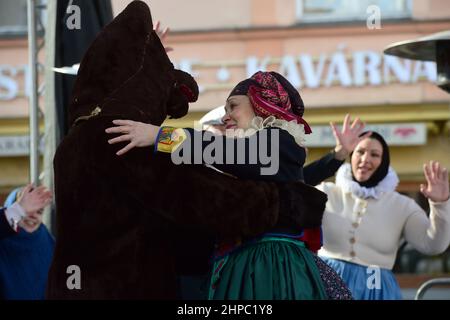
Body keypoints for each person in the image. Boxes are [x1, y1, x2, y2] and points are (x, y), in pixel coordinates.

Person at [106, 71, 363, 299]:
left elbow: (226, 151)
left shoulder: (281, 142)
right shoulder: (259, 148)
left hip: (272, 265)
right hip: (247, 261)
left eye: (233, 106)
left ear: (261, 104)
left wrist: (158, 135)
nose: (226, 116)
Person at [316, 131, 450, 300]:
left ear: (384, 162)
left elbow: (433, 245)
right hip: (325, 284)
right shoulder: (326, 192)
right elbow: (292, 196)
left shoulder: (402, 205)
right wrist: (335, 155)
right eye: (360, 152)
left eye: (374, 154)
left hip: (376, 289)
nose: (365, 159)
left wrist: (440, 205)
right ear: (351, 155)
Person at [0, 185, 54, 300]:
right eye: (28, 210)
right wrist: (19, 210)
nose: (33, 216)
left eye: (39, 211)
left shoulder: (48, 242)